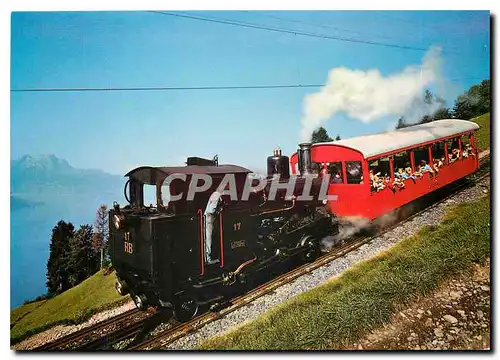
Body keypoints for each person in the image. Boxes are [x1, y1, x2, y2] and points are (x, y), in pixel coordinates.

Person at [204, 190, 222, 264]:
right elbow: (212, 209)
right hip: (210, 218)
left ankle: (211, 256)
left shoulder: (216, 195)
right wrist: (219, 210)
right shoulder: (216, 195)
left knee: (211, 237)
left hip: (211, 218)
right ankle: (208, 258)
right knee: (209, 238)